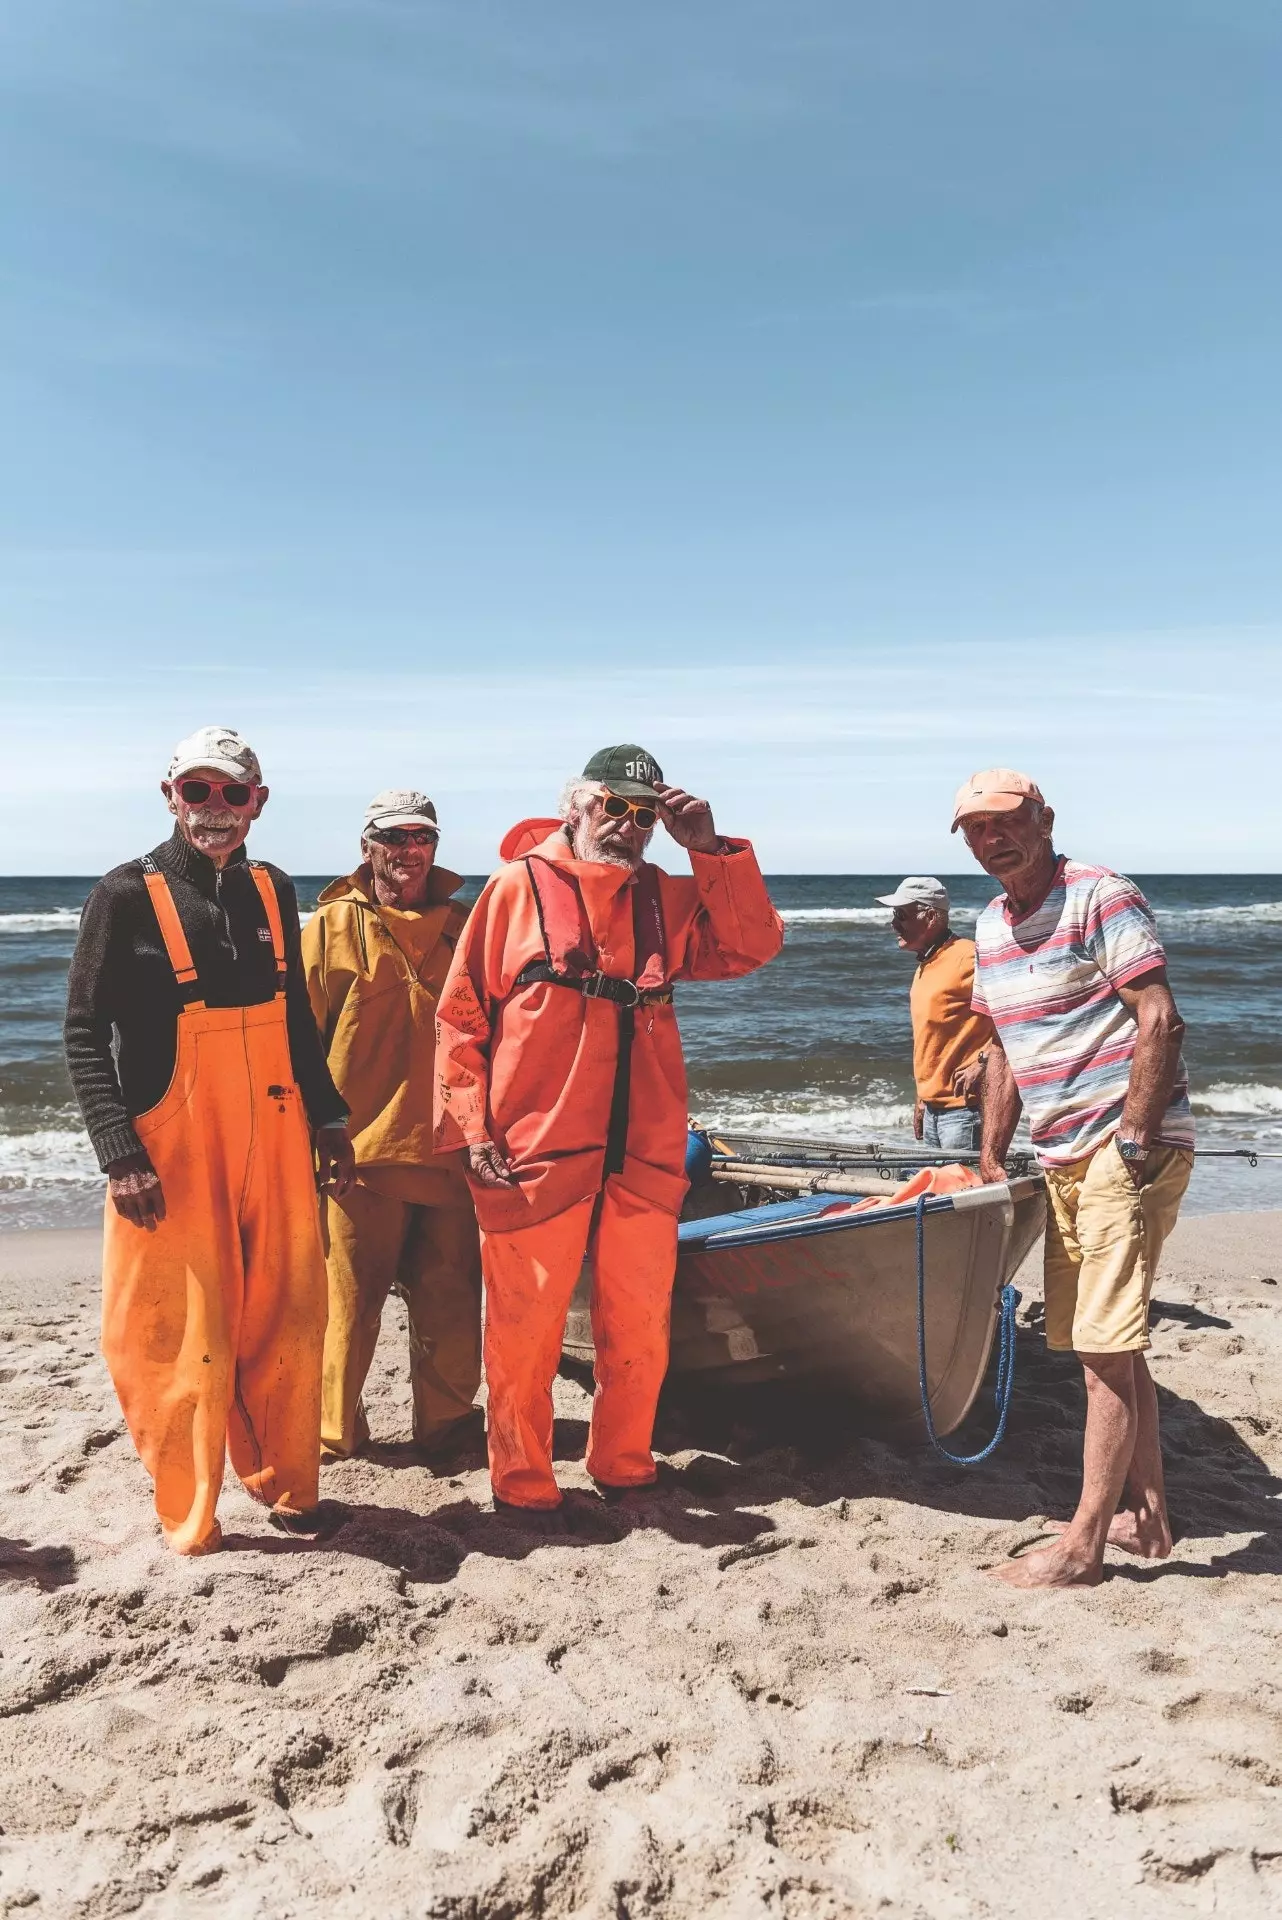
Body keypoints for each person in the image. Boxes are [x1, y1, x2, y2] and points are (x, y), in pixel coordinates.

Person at [433, 744, 784, 1514]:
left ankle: (624, 1463)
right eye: (615, 807)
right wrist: (472, 1132)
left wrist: (713, 852)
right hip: (534, 1147)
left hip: (643, 1150)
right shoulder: (512, 891)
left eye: (645, 813)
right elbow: (461, 1021)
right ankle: (522, 1483)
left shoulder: (665, 895)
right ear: (577, 806)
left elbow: (752, 945)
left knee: (640, 1325)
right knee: (523, 1331)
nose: (629, 826)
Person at [63, 727, 354, 1556]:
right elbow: (83, 1030)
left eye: (232, 793)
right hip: (171, 1146)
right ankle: (189, 1515)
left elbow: (296, 1016)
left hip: (277, 1124)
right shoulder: (123, 894)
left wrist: (328, 1117)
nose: (214, 810)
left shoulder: (274, 888)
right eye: (198, 792)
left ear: (258, 801)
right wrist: (119, 1152)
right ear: (170, 797)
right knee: (172, 1332)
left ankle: (290, 1488)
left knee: (288, 1312)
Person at [954, 768, 1195, 1589]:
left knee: (1099, 1347)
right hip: (1059, 1157)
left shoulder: (1100, 896)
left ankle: (1083, 1547)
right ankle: (1151, 1522)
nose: (993, 841)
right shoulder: (988, 924)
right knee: (1110, 1346)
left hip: (1123, 1153)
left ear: (1045, 818)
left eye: (1007, 823)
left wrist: (1131, 1140)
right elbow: (1005, 1053)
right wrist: (992, 1153)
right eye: (976, 831)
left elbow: (1159, 1016)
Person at [303, 790, 483, 1463]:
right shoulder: (324, 930)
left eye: (422, 838)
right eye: (394, 837)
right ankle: (333, 1433)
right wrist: (310, 1140)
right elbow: (299, 1048)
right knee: (347, 1308)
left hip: (450, 1149)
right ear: (366, 846)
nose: (409, 850)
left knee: (452, 1302)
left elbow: (496, 1034)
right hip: (356, 1157)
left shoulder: (466, 926)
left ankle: (448, 1427)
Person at [876, 875, 993, 1154]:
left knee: (963, 1194)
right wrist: (922, 1098)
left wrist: (983, 1062)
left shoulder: (967, 957)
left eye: (901, 915)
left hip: (965, 1113)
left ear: (930, 917)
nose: (894, 923)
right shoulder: (927, 962)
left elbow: (1018, 1015)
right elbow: (932, 1042)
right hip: (933, 1111)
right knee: (938, 1194)